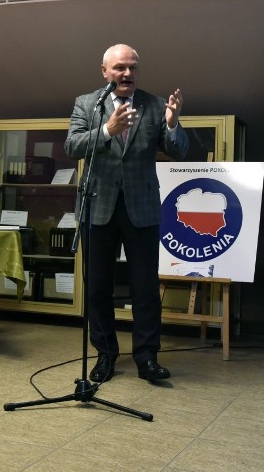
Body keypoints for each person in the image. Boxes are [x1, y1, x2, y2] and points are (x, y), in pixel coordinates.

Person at [64, 44, 189, 383]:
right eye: (120, 68)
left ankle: (147, 358)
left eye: (133, 68)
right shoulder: (87, 104)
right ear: (105, 71)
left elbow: (179, 151)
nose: (127, 74)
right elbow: (71, 146)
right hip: (97, 206)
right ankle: (105, 355)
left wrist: (173, 123)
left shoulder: (156, 105)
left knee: (145, 288)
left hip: (142, 207)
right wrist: (107, 131)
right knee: (98, 287)